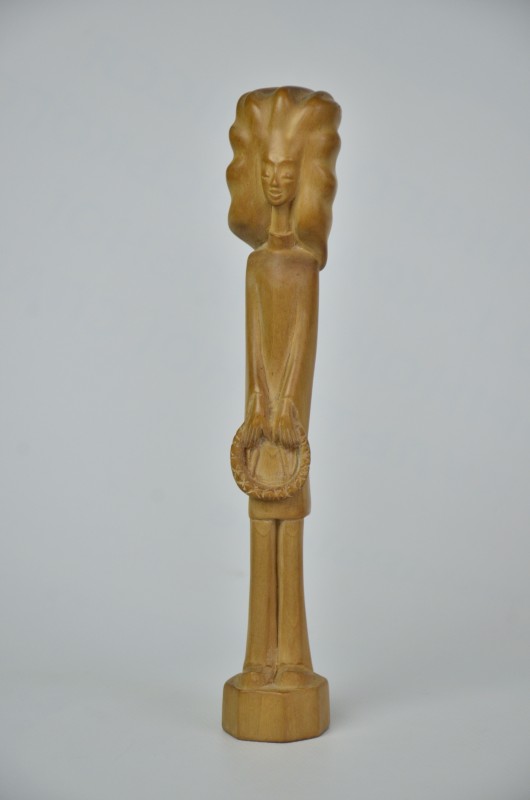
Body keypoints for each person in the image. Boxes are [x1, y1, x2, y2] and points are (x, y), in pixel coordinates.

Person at [227, 86, 341, 689]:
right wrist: (255, 405)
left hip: (290, 429)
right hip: (260, 426)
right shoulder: (256, 266)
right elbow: (255, 343)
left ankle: (292, 659)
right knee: (258, 530)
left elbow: (301, 340)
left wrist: (289, 406)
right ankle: (258, 660)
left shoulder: (302, 267)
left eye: (287, 171)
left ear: (304, 179)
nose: (276, 181)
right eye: (267, 170)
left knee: (289, 529)